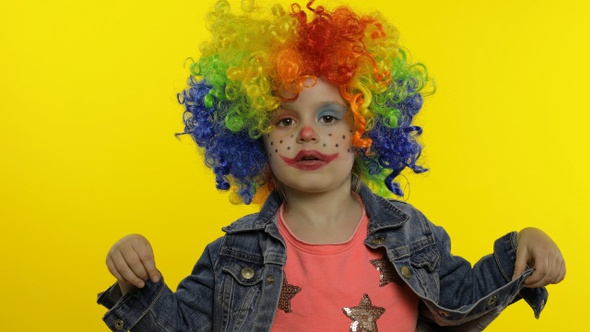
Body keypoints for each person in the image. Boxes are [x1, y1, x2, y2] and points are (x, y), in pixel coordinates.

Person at [97, 1, 566, 331]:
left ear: (366, 128)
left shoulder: (410, 236)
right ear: (253, 136)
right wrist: (137, 280)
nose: (307, 133)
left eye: (328, 116)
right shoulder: (232, 256)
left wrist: (519, 251)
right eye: (284, 119)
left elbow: (461, 297)